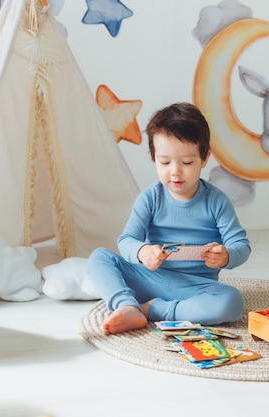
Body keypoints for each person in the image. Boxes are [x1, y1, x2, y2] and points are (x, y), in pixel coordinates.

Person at [87, 102, 251, 335]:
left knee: (231, 301)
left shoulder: (216, 201)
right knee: (98, 258)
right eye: (165, 162)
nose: (175, 171)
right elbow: (126, 240)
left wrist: (226, 256)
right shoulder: (150, 198)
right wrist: (142, 252)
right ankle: (126, 305)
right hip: (151, 278)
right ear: (154, 158)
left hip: (195, 287)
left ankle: (151, 310)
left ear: (205, 158)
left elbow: (241, 246)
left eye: (186, 162)